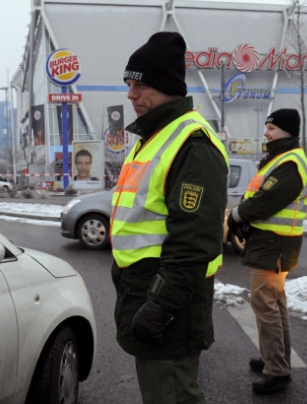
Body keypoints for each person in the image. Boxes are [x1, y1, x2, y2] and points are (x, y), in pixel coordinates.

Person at [110, 32, 229, 404]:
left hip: (169, 305)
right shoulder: (153, 136)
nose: (131, 94)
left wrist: (159, 306)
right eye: (129, 84)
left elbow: (193, 242)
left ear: (165, 86)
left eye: (139, 84)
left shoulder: (191, 143)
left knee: (173, 394)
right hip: (146, 292)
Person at [226, 108, 307, 394]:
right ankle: (273, 358)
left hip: (275, 243)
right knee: (274, 304)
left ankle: (276, 370)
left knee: (266, 305)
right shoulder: (281, 159)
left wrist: (236, 216)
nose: (266, 132)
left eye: (271, 128)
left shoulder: (290, 162)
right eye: (266, 127)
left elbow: (266, 201)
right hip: (273, 242)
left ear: (287, 131)